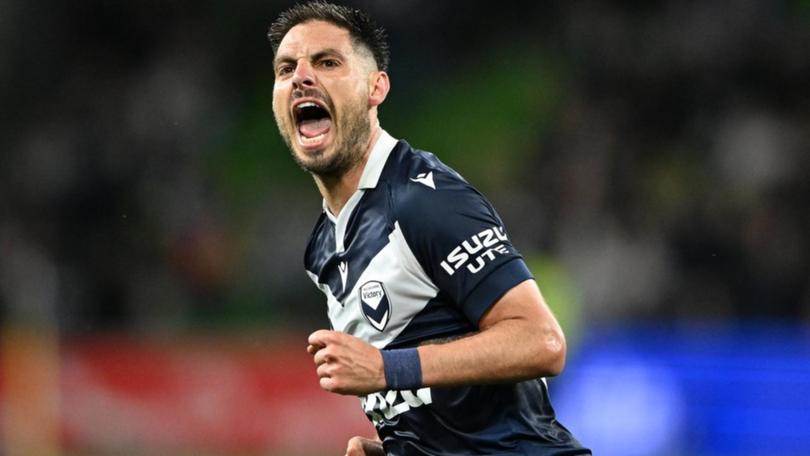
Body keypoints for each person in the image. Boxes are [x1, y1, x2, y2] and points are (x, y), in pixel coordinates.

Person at [268, 2, 590, 455]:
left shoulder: (424, 199)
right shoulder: (323, 246)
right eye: (286, 68)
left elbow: (541, 341)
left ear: (375, 87)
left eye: (327, 62)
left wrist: (385, 368)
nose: (301, 76)